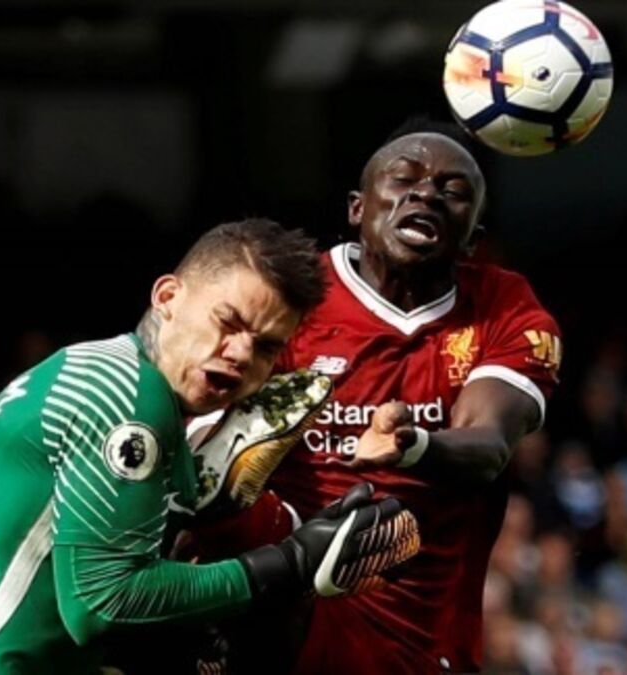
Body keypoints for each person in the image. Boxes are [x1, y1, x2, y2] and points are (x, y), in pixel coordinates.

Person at [0, 218, 420, 674]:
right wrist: (288, 563)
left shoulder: (111, 379)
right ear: (168, 296)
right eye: (228, 321)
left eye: (266, 347)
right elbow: (103, 602)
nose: (239, 354)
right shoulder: (126, 394)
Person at [198, 120, 563, 674]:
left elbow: (487, 446)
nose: (426, 194)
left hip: (419, 644)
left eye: (453, 190)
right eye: (404, 179)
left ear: (472, 235)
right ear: (357, 208)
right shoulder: (290, 298)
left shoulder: (504, 306)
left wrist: (413, 445)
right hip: (280, 621)